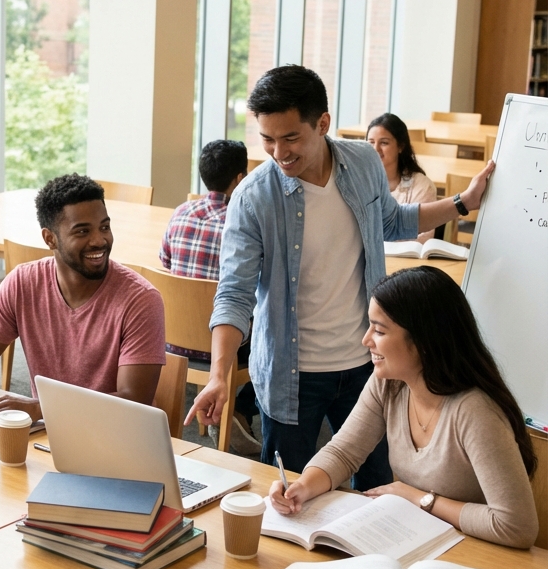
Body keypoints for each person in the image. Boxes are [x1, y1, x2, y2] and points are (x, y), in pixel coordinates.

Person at [185, 65, 494, 489]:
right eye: (268, 139)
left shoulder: (363, 161)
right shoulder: (254, 197)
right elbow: (234, 293)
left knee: (379, 487)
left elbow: (390, 220)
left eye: (291, 137)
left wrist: (463, 203)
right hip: (291, 375)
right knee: (289, 493)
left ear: (323, 124)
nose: (279, 152)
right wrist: (219, 374)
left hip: (369, 365)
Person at [269, 267, 539, 548]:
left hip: (476, 551)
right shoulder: (389, 384)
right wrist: (302, 487)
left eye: (379, 330)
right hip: (419, 539)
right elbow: (344, 452)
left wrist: (417, 498)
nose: (366, 340)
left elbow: (516, 526)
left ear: (423, 341)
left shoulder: (475, 411)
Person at [0, 173, 166, 425]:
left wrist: (42, 409)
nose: (99, 240)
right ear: (50, 238)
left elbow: (133, 400)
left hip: (116, 432)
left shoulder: (140, 300)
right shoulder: (22, 283)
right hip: (50, 431)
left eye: (104, 227)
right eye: (82, 231)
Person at [160, 139, 258, 452]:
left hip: (174, 340)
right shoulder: (244, 222)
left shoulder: (180, 212)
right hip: (225, 346)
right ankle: (241, 410)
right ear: (241, 178)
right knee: (276, 339)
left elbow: (165, 266)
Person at [160, 139, 248, 279]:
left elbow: (165, 261)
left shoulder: (180, 212)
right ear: (240, 178)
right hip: (217, 301)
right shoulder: (241, 224)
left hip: (177, 300)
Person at [366, 113, 438, 242]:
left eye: (384, 143)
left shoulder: (422, 186)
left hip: (405, 260)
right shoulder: (359, 181)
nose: (376, 149)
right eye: (371, 142)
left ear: (400, 146)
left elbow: (422, 238)